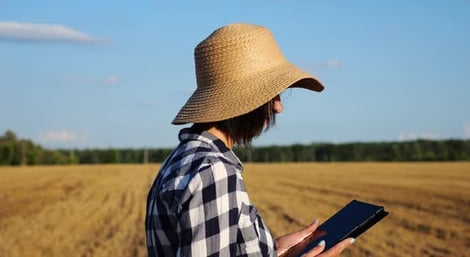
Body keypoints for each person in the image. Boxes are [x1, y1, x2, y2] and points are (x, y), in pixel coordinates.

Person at [145, 23, 354, 257]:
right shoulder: (213, 172)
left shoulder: (180, 161)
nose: (278, 106)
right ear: (243, 100)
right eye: (270, 94)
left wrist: (271, 252)